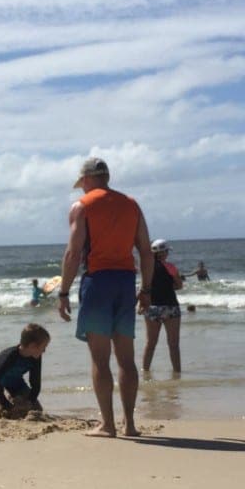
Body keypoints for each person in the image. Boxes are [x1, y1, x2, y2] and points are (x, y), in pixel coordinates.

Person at [57, 157, 152, 438]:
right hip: (125, 281)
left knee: (100, 359)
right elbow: (146, 251)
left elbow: (74, 253)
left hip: (98, 281)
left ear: (86, 180)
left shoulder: (83, 206)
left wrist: (63, 292)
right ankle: (130, 424)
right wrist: (146, 289)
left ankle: (108, 424)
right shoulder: (131, 205)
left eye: (82, 184)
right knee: (126, 359)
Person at [0, 323, 51, 418]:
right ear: (32, 346)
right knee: (3, 411)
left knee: (37, 409)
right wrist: (6, 405)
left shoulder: (36, 357)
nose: (44, 351)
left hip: (16, 383)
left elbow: (35, 382)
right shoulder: (9, 356)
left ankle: (12, 397)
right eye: (43, 347)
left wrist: (30, 401)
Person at [141, 239, 183, 375]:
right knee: (173, 345)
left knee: (150, 344)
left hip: (152, 308)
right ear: (164, 252)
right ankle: (177, 373)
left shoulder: (147, 267)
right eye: (166, 252)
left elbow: (144, 288)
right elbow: (179, 285)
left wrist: (140, 304)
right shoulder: (171, 267)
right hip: (170, 307)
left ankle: (145, 371)